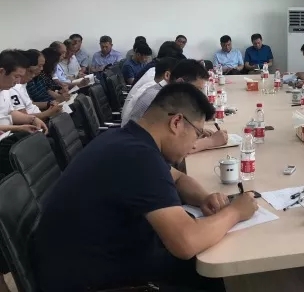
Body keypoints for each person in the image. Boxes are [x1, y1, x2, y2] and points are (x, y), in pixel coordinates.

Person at [33, 82, 258, 292]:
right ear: (176, 123)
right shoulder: (139, 157)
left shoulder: (125, 139)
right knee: (210, 273)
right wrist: (235, 212)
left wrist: (203, 198)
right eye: (197, 134)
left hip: (79, 261)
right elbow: (186, 242)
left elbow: (178, 178)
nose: (194, 143)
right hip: (90, 281)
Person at [125, 59, 228, 152]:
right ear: (180, 82)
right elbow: (173, 148)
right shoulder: (160, 98)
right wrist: (211, 141)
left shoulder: (166, 91)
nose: (199, 95)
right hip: (137, 152)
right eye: (197, 89)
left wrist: (193, 131)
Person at [0, 50, 48, 176]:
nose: (18, 81)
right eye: (16, 76)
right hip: (4, 141)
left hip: (9, 135)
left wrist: (32, 119)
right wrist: (18, 128)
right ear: (1, 72)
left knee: (42, 141)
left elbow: (10, 112)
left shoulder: (5, 90)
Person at [121, 58, 178, 128]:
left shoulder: (154, 81)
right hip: (130, 129)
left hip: (128, 126)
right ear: (167, 75)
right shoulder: (157, 92)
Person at [9, 49, 63, 120]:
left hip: (40, 116)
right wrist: (49, 112)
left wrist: (51, 105)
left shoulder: (22, 85)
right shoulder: (13, 88)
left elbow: (30, 104)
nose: (33, 75)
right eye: (30, 71)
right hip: (37, 120)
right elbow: (24, 118)